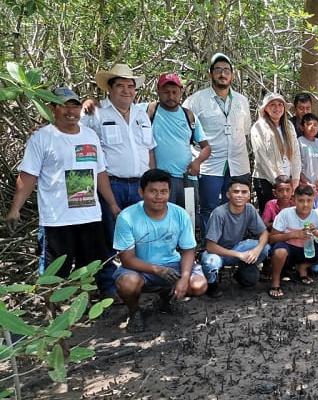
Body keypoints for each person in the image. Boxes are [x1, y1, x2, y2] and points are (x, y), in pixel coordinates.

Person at [6, 87, 120, 296]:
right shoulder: (42, 138)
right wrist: (15, 209)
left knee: (89, 267)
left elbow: (100, 173)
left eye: (75, 106)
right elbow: (28, 176)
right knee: (54, 271)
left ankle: (82, 310)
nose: (70, 111)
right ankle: (52, 313)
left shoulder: (90, 136)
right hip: (57, 220)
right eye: (63, 106)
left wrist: (112, 205)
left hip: (89, 216)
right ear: (52, 109)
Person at [112, 169, 207, 332]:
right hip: (140, 269)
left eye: (164, 192)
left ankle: (165, 299)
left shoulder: (180, 214)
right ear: (141, 192)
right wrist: (156, 269)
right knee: (128, 284)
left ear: (169, 192)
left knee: (199, 285)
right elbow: (127, 259)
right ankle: (135, 312)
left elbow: (188, 250)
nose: (159, 196)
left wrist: (184, 277)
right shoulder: (127, 217)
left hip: (172, 265)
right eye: (153, 191)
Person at [81, 64, 155, 247]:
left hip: (140, 185)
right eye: (120, 86)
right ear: (110, 89)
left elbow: (149, 149)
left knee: (141, 234)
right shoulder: (95, 113)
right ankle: (111, 274)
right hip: (111, 185)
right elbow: (79, 145)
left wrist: (152, 182)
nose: (126, 91)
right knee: (111, 235)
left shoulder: (141, 114)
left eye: (130, 86)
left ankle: (139, 274)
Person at [183, 53, 252, 237]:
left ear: (232, 75)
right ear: (210, 74)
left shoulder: (242, 101)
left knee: (237, 205)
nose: (223, 74)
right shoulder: (195, 100)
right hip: (210, 164)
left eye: (227, 70)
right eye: (218, 70)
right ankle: (211, 246)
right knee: (209, 207)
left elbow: (245, 131)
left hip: (238, 163)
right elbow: (185, 132)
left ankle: (232, 243)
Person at [147, 73, 211, 209]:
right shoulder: (149, 111)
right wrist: (92, 102)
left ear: (181, 92)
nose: (171, 96)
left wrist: (197, 162)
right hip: (161, 180)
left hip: (187, 178)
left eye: (174, 92)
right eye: (166, 92)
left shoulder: (189, 116)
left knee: (189, 220)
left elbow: (206, 147)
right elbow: (121, 109)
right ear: (158, 91)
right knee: (162, 219)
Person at [200, 177, 270, 298]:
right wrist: (239, 255)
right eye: (236, 191)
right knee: (211, 262)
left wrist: (256, 250)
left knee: (265, 248)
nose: (239, 195)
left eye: (244, 192)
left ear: (249, 195)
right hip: (218, 253)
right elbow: (210, 246)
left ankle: (243, 269)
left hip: (237, 249)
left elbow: (264, 233)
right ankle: (212, 284)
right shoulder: (219, 213)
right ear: (228, 194)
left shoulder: (249, 209)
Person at [268, 184, 318, 299]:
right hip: (289, 251)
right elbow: (272, 239)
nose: (305, 205)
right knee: (280, 250)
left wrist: (315, 231)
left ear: (313, 200)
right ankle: (275, 283)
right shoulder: (285, 213)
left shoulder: (315, 215)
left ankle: (303, 267)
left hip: (307, 250)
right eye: (301, 201)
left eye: (309, 201)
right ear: (294, 200)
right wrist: (293, 234)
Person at [251, 92, 301, 213]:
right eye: (272, 104)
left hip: (288, 179)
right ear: (266, 108)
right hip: (267, 180)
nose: (277, 108)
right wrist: (277, 182)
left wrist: (295, 179)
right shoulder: (259, 127)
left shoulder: (288, 126)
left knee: (287, 214)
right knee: (269, 214)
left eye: (280, 105)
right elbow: (261, 157)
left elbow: (295, 153)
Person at [298, 113, 318, 196]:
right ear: (302, 127)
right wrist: (305, 182)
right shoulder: (299, 142)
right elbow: (295, 165)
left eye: (315, 125)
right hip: (302, 185)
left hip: (316, 186)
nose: (312, 127)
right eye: (309, 124)